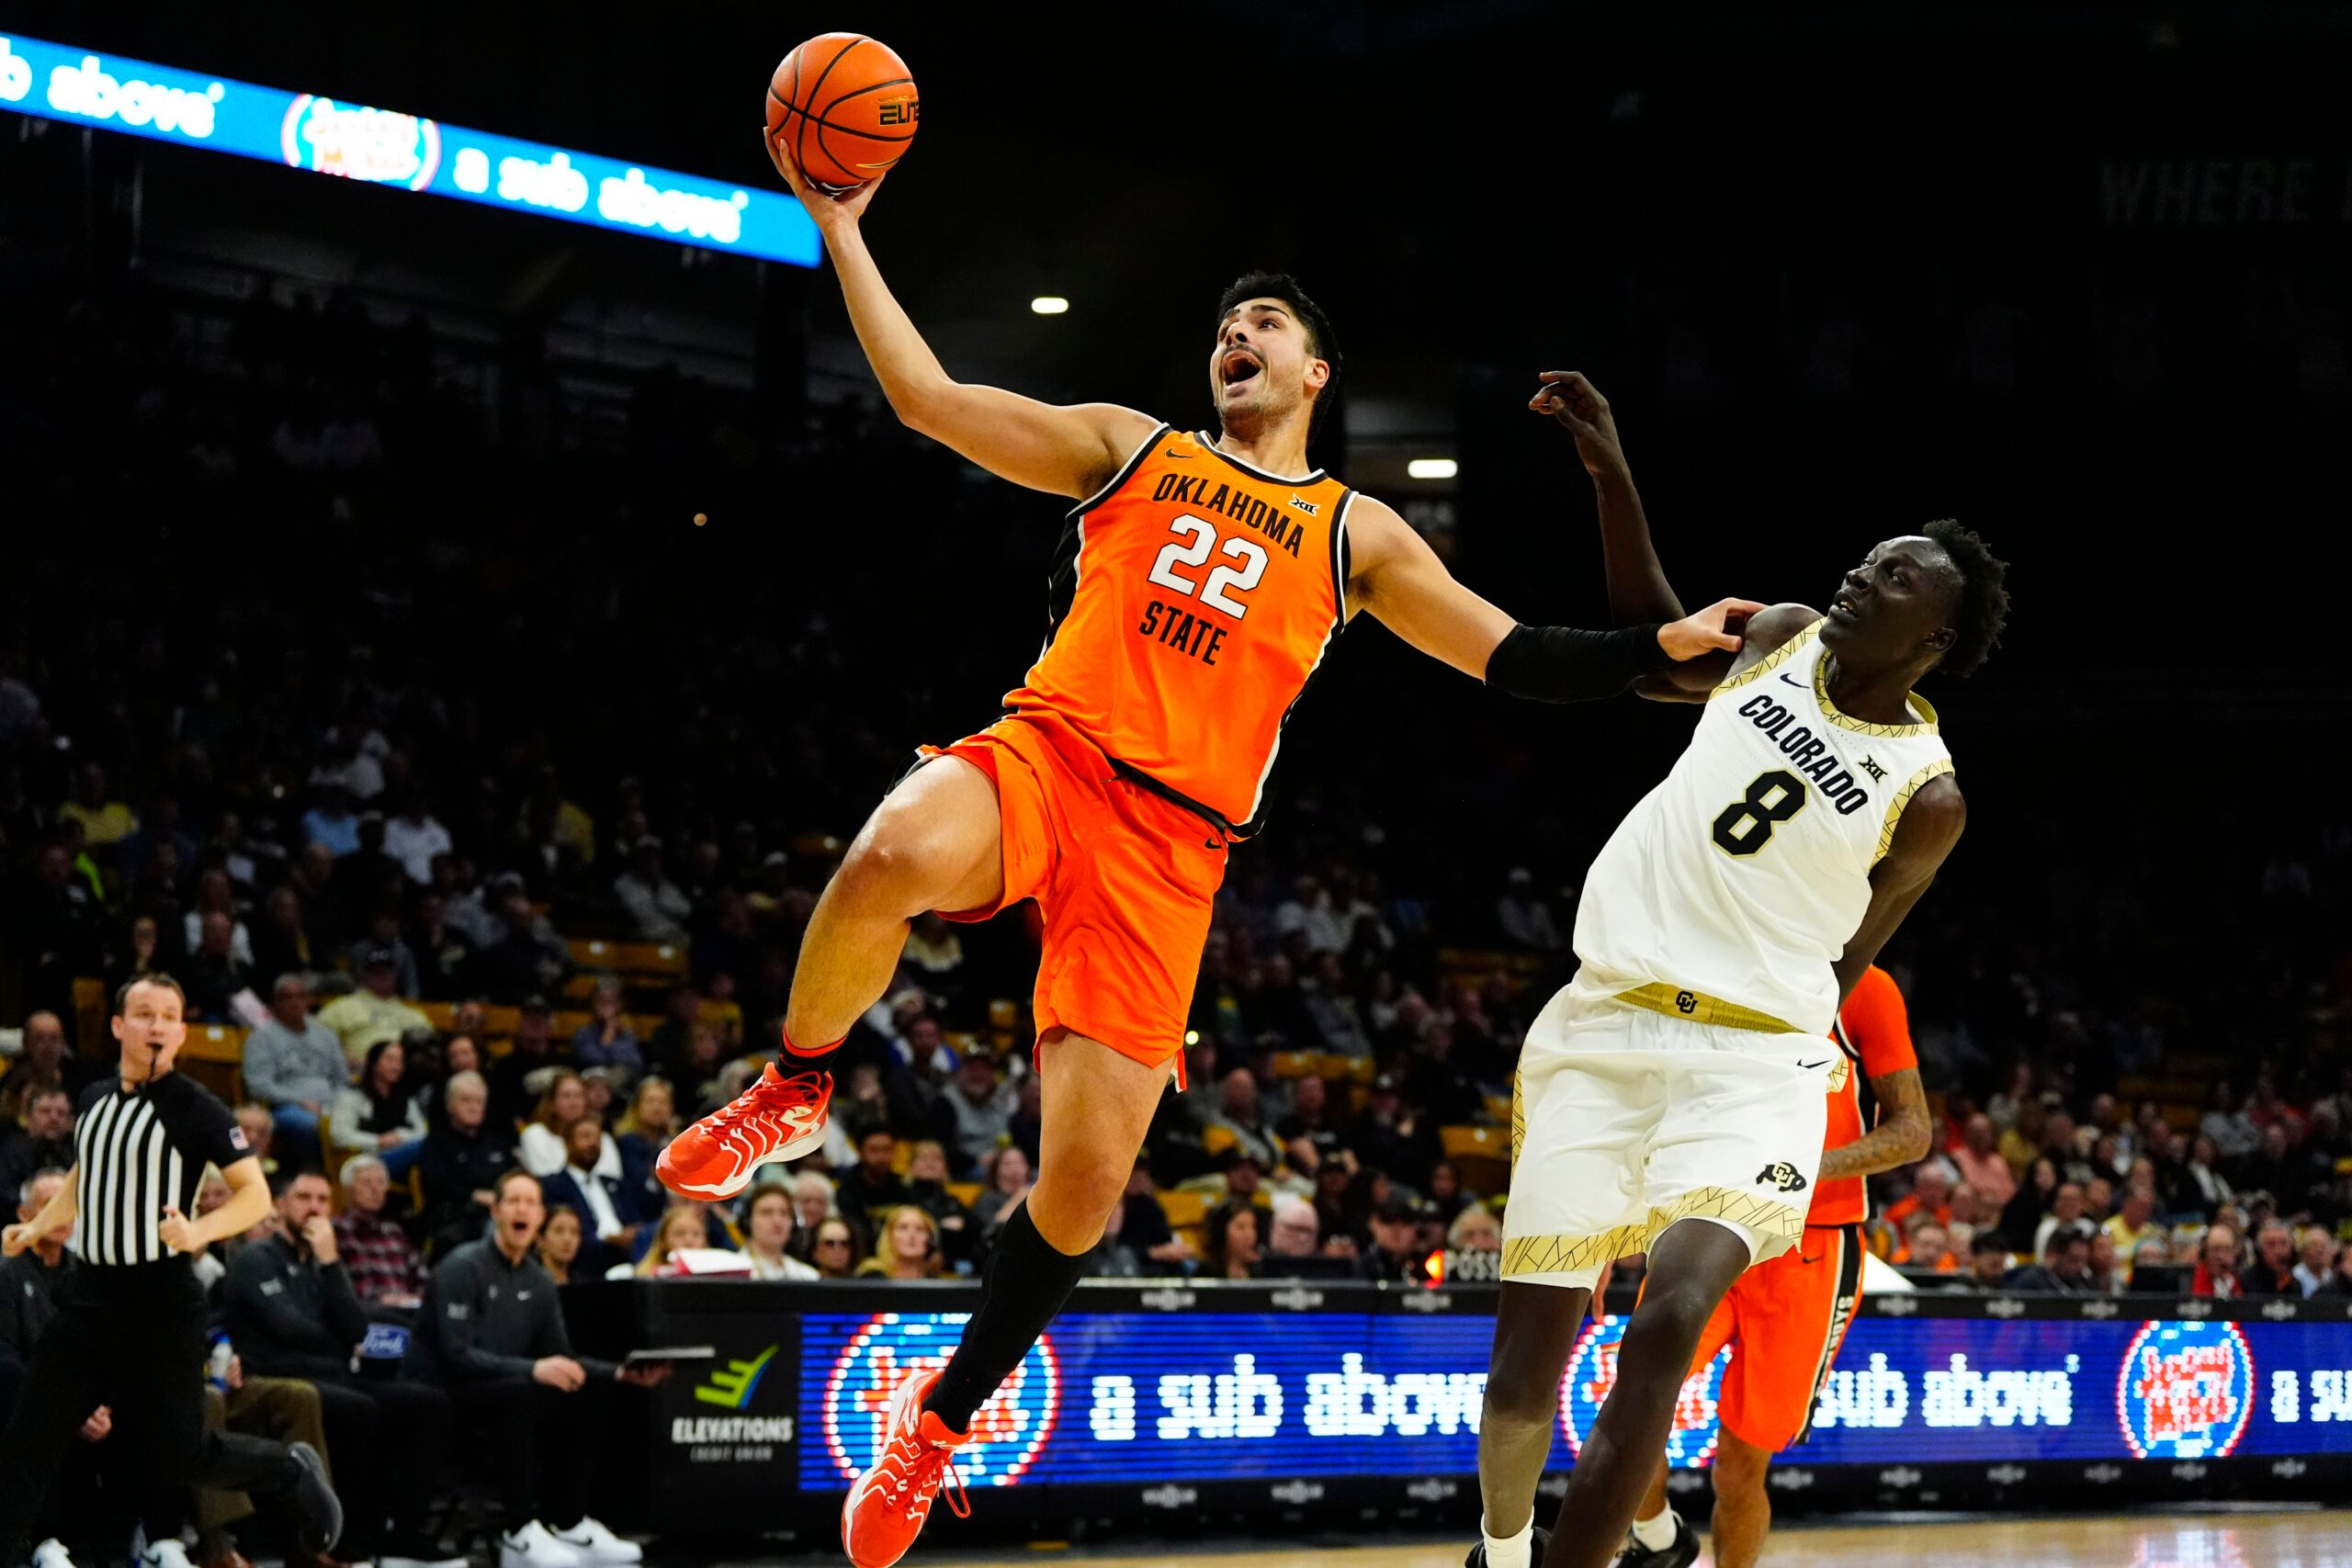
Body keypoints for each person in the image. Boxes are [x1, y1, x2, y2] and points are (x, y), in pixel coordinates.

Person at [650, 156, 1754, 1568]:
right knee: (888, 849)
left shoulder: (1355, 532)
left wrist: (1658, 644)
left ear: (1315, 371)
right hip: (1051, 752)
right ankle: (793, 1087)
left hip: (1172, 848)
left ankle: (936, 1422)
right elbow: (929, 401)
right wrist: (842, 228)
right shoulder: (1134, 446)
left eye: (1265, 328)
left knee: (1084, 1191)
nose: (1236, 338)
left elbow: (1512, 653)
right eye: (1226, 326)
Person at [1474, 374, 2007, 1568]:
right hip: (1603, 1023)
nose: (1865, 571)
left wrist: (1775, 1007)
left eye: (1897, 575)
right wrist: (1613, 473)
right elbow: (1655, 642)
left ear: (1931, 638)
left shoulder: (1928, 798)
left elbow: (1849, 955)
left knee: (1663, 1328)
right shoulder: (1776, 636)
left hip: (1750, 1061)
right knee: (1524, 1368)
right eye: (1871, 555)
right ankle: (1502, 1546)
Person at [0, 977, 342, 1563]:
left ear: (182, 1032)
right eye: (143, 1013)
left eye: (169, 1016)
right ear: (117, 1026)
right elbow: (90, 1174)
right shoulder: (94, 1101)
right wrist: (37, 1226)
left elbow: (255, 1195)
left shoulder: (198, 1108)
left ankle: (288, 1469)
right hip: (86, 1302)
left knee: (182, 1455)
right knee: (26, 1443)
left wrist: (199, 1231)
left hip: (159, 1306)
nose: (156, 1025)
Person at [1620, 964, 1930, 1568]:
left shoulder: (1865, 987)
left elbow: (1913, 1131)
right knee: (1630, 1404)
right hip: (1705, 1222)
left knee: (1741, 1460)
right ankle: (1658, 1537)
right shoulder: (1710, 966)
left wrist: (1807, 1169)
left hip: (1812, 1246)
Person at [408, 1170, 663, 1568]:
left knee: (582, 1388)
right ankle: (519, 1531)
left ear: (540, 1216)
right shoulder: (462, 1267)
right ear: (495, 1210)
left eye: (531, 1203)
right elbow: (456, 1355)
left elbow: (559, 1355)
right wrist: (533, 1369)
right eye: (514, 1201)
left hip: (503, 1388)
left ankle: (568, 1522)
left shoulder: (539, 1280)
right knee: (521, 1390)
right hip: (444, 1394)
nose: (522, 1210)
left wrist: (617, 1373)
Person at [223, 1170, 459, 1568]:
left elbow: (356, 1331)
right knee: (357, 1409)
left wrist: (332, 1263)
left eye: (321, 1200)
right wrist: (335, 1336)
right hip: (279, 1377)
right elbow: (291, 1330)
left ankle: (403, 1534)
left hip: (334, 1374)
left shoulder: (324, 1263)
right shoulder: (255, 1259)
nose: (313, 1208)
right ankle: (341, 1539)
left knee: (426, 1404)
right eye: (303, 1198)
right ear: (281, 1206)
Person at [242, 976, 352, 1168]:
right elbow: (258, 1085)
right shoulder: (261, 1038)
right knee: (307, 1125)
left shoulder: (325, 1035)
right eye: (287, 997)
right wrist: (299, 1101)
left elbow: (342, 1079)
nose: (295, 1002)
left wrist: (337, 1103)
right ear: (274, 1003)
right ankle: (314, 1173)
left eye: (301, 996)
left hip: (330, 1103)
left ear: (308, 1000)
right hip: (286, 1107)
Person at [417, 1072, 512, 1256]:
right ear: (450, 1105)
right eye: (466, 1100)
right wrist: (475, 1195)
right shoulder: (437, 1143)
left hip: (497, 1210)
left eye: (479, 1101)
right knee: (498, 1228)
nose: (474, 1107)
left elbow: (512, 1177)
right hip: (455, 1218)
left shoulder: (497, 1142)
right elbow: (437, 1185)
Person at [332, 1156, 425, 1310]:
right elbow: (336, 1285)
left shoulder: (394, 1232)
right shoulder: (336, 1230)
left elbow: (421, 1276)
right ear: (348, 1189)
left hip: (406, 1312)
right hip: (363, 1314)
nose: (375, 1189)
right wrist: (381, 1299)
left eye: (381, 1182)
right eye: (366, 1183)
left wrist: (418, 1299)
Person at [330, 1039, 430, 1180]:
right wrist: (378, 1141)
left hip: (401, 1157)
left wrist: (400, 1136)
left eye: (400, 1061)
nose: (396, 1066)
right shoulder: (352, 1096)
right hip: (367, 1158)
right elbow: (339, 1135)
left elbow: (422, 1134)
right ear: (374, 1063)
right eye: (390, 1059)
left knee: (434, 1145)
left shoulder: (406, 1099)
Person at [315, 951, 432, 1071]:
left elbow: (430, 1049)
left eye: (386, 970)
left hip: (406, 1075)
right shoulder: (342, 1006)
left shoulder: (413, 1013)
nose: (382, 974)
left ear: (395, 975)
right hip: (359, 1073)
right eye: (375, 971)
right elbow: (315, 1039)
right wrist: (347, 1061)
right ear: (363, 975)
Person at [0, 1090, 76, 1212]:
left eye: (61, 1113)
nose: (54, 1118)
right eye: (45, 1111)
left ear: (70, 1121)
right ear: (28, 1117)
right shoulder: (10, 1151)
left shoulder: (75, 1154)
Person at [741, 1183, 820, 1281]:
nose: (777, 1221)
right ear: (748, 1221)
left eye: (784, 1213)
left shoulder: (808, 1276)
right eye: (767, 1212)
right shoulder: (731, 1270)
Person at [855, 1207, 943, 1281]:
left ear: (930, 1239)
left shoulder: (935, 1283)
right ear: (889, 1236)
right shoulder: (870, 1279)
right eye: (903, 1228)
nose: (912, 1235)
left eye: (920, 1229)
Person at [2240, 1220, 2300, 1294]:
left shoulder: (2295, 1284)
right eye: (2271, 1244)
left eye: (2283, 1243)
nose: (2278, 1251)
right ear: (2260, 1250)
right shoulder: (2245, 1281)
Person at [536, 1207, 585, 1286]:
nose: (568, 1239)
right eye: (559, 1231)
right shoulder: (528, 1282)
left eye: (574, 1232)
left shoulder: (582, 1283)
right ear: (540, 1238)